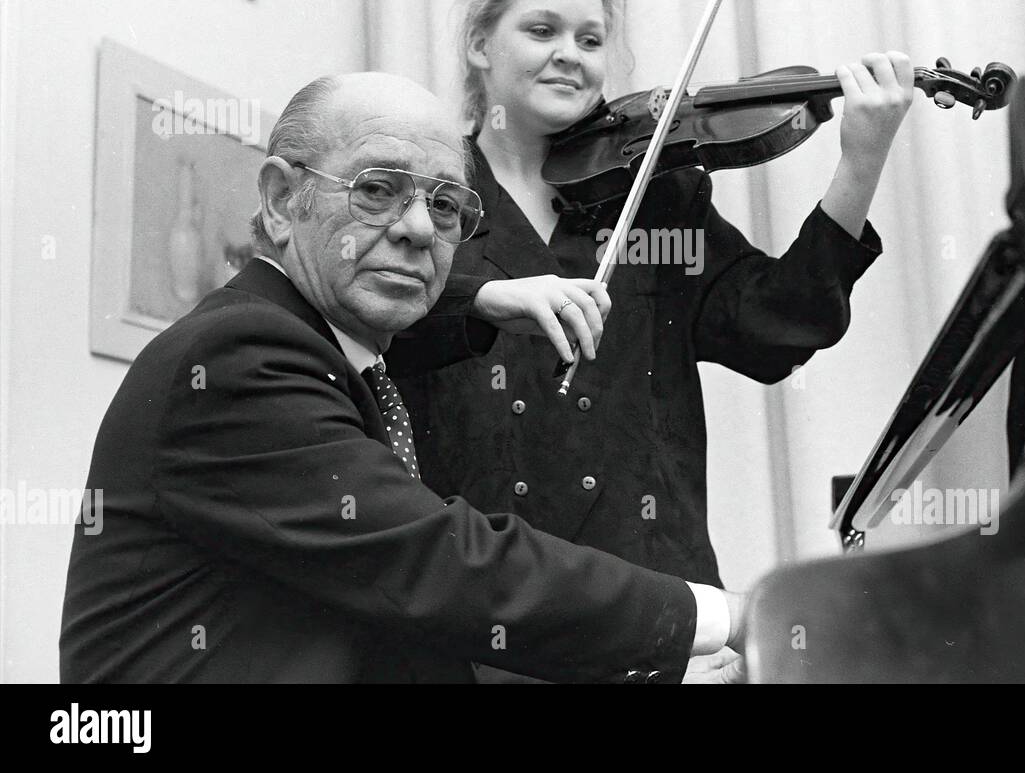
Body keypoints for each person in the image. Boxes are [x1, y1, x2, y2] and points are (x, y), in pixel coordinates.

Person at [59, 72, 742, 683]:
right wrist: (713, 616)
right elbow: (446, 565)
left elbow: (410, 645)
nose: (419, 228)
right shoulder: (242, 355)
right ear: (279, 200)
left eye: (447, 206)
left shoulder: (341, 361)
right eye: (377, 189)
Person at [389, 0, 914, 590]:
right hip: (484, 590)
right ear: (479, 44)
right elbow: (377, 328)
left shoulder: (657, 196)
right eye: (541, 30)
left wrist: (860, 163)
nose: (569, 55)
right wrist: (488, 296)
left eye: (590, 40)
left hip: (653, 580)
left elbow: (776, 326)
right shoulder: (426, 196)